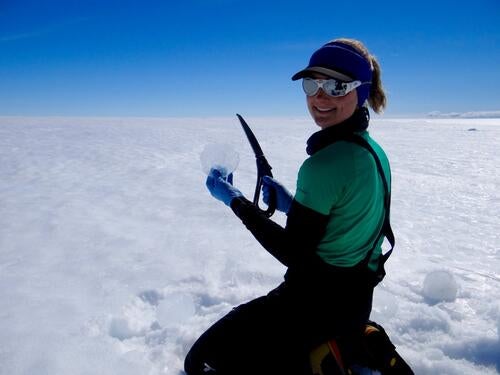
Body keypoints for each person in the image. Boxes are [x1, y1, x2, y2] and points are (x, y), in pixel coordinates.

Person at [185, 38, 404, 375]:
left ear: (361, 91)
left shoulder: (324, 165)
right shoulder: (372, 152)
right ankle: (350, 339)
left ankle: (326, 355)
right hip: (356, 301)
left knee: (200, 362)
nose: (319, 96)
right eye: (312, 84)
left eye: (336, 86)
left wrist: (235, 200)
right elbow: (348, 219)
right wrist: (292, 205)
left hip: (313, 305)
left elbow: (295, 253)